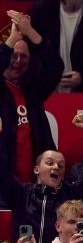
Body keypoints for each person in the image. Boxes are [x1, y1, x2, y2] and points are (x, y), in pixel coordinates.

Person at [1, 11, 63, 182]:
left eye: (23, 57)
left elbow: (55, 66)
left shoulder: (33, 90)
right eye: (13, 55)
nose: (18, 61)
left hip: (34, 185)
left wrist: (30, 33)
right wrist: (12, 39)